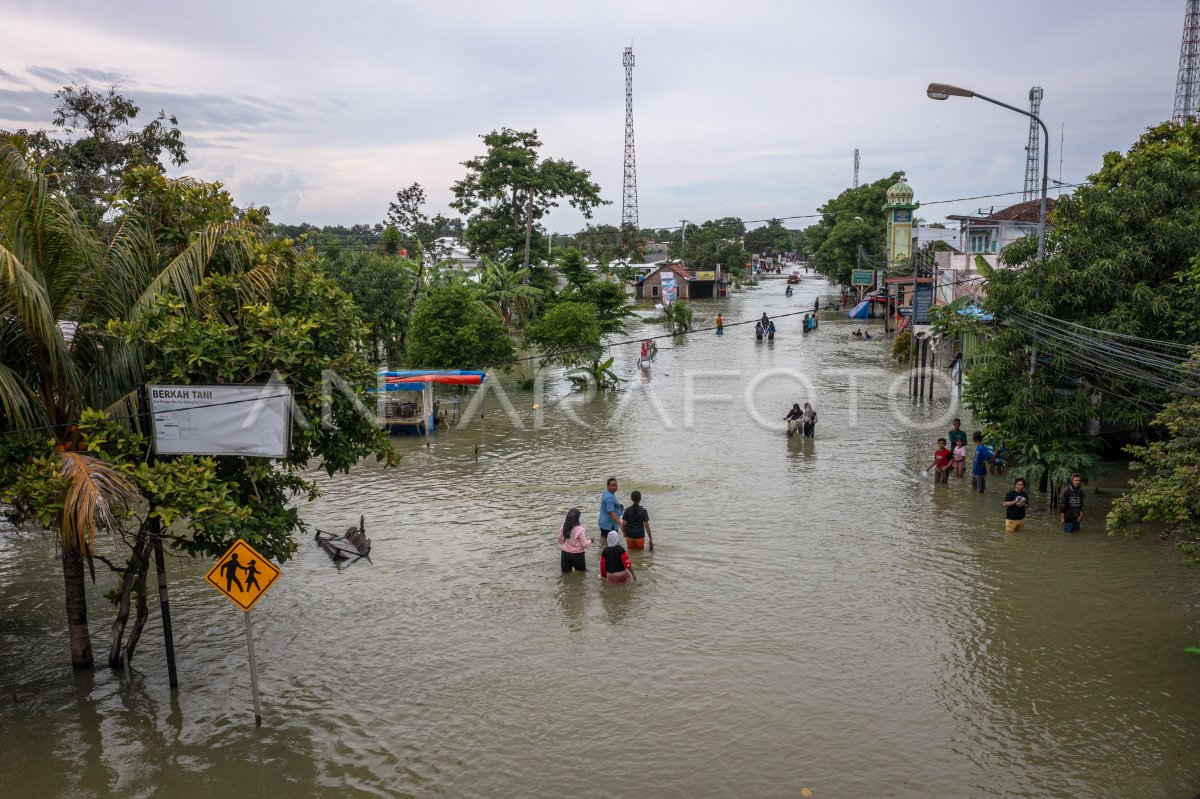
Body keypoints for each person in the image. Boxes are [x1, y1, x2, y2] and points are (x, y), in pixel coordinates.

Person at [558, 508, 593, 572]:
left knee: (565, 575)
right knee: (581, 574)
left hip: (565, 554)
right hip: (578, 555)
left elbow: (560, 540)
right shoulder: (580, 529)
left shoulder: (563, 526)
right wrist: (590, 541)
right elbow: (584, 545)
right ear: (577, 518)